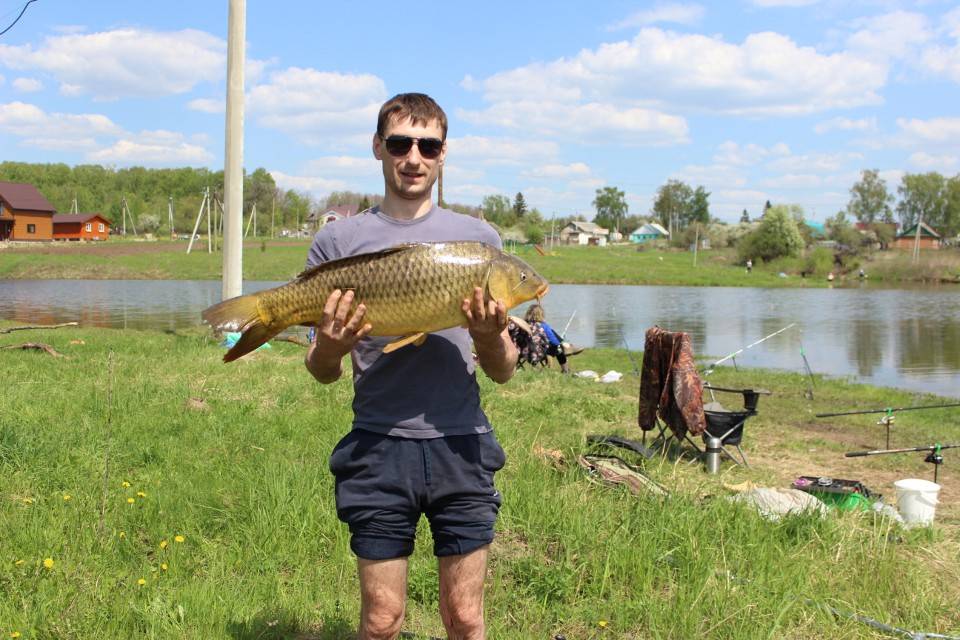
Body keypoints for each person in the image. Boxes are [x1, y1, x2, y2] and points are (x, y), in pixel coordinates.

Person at [303, 93, 517, 640]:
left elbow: (504, 370)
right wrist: (330, 344)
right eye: (400, 143)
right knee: (381, 619)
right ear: (378, 148)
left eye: (428, 145)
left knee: (466, 618)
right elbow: (322, 369)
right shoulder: (338, 241)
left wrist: (491, 336)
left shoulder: (479, 242)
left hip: (461, 443)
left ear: (444, 154)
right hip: (378, 445)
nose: (413, 157)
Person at [514, 304, 570, 373]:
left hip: (522, 352)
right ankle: (565, 369)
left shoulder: (522, 324)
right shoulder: (543, 326)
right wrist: (559, 343)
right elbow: (554, 342)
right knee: (558, 348)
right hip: (538, 352)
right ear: (541, 314)